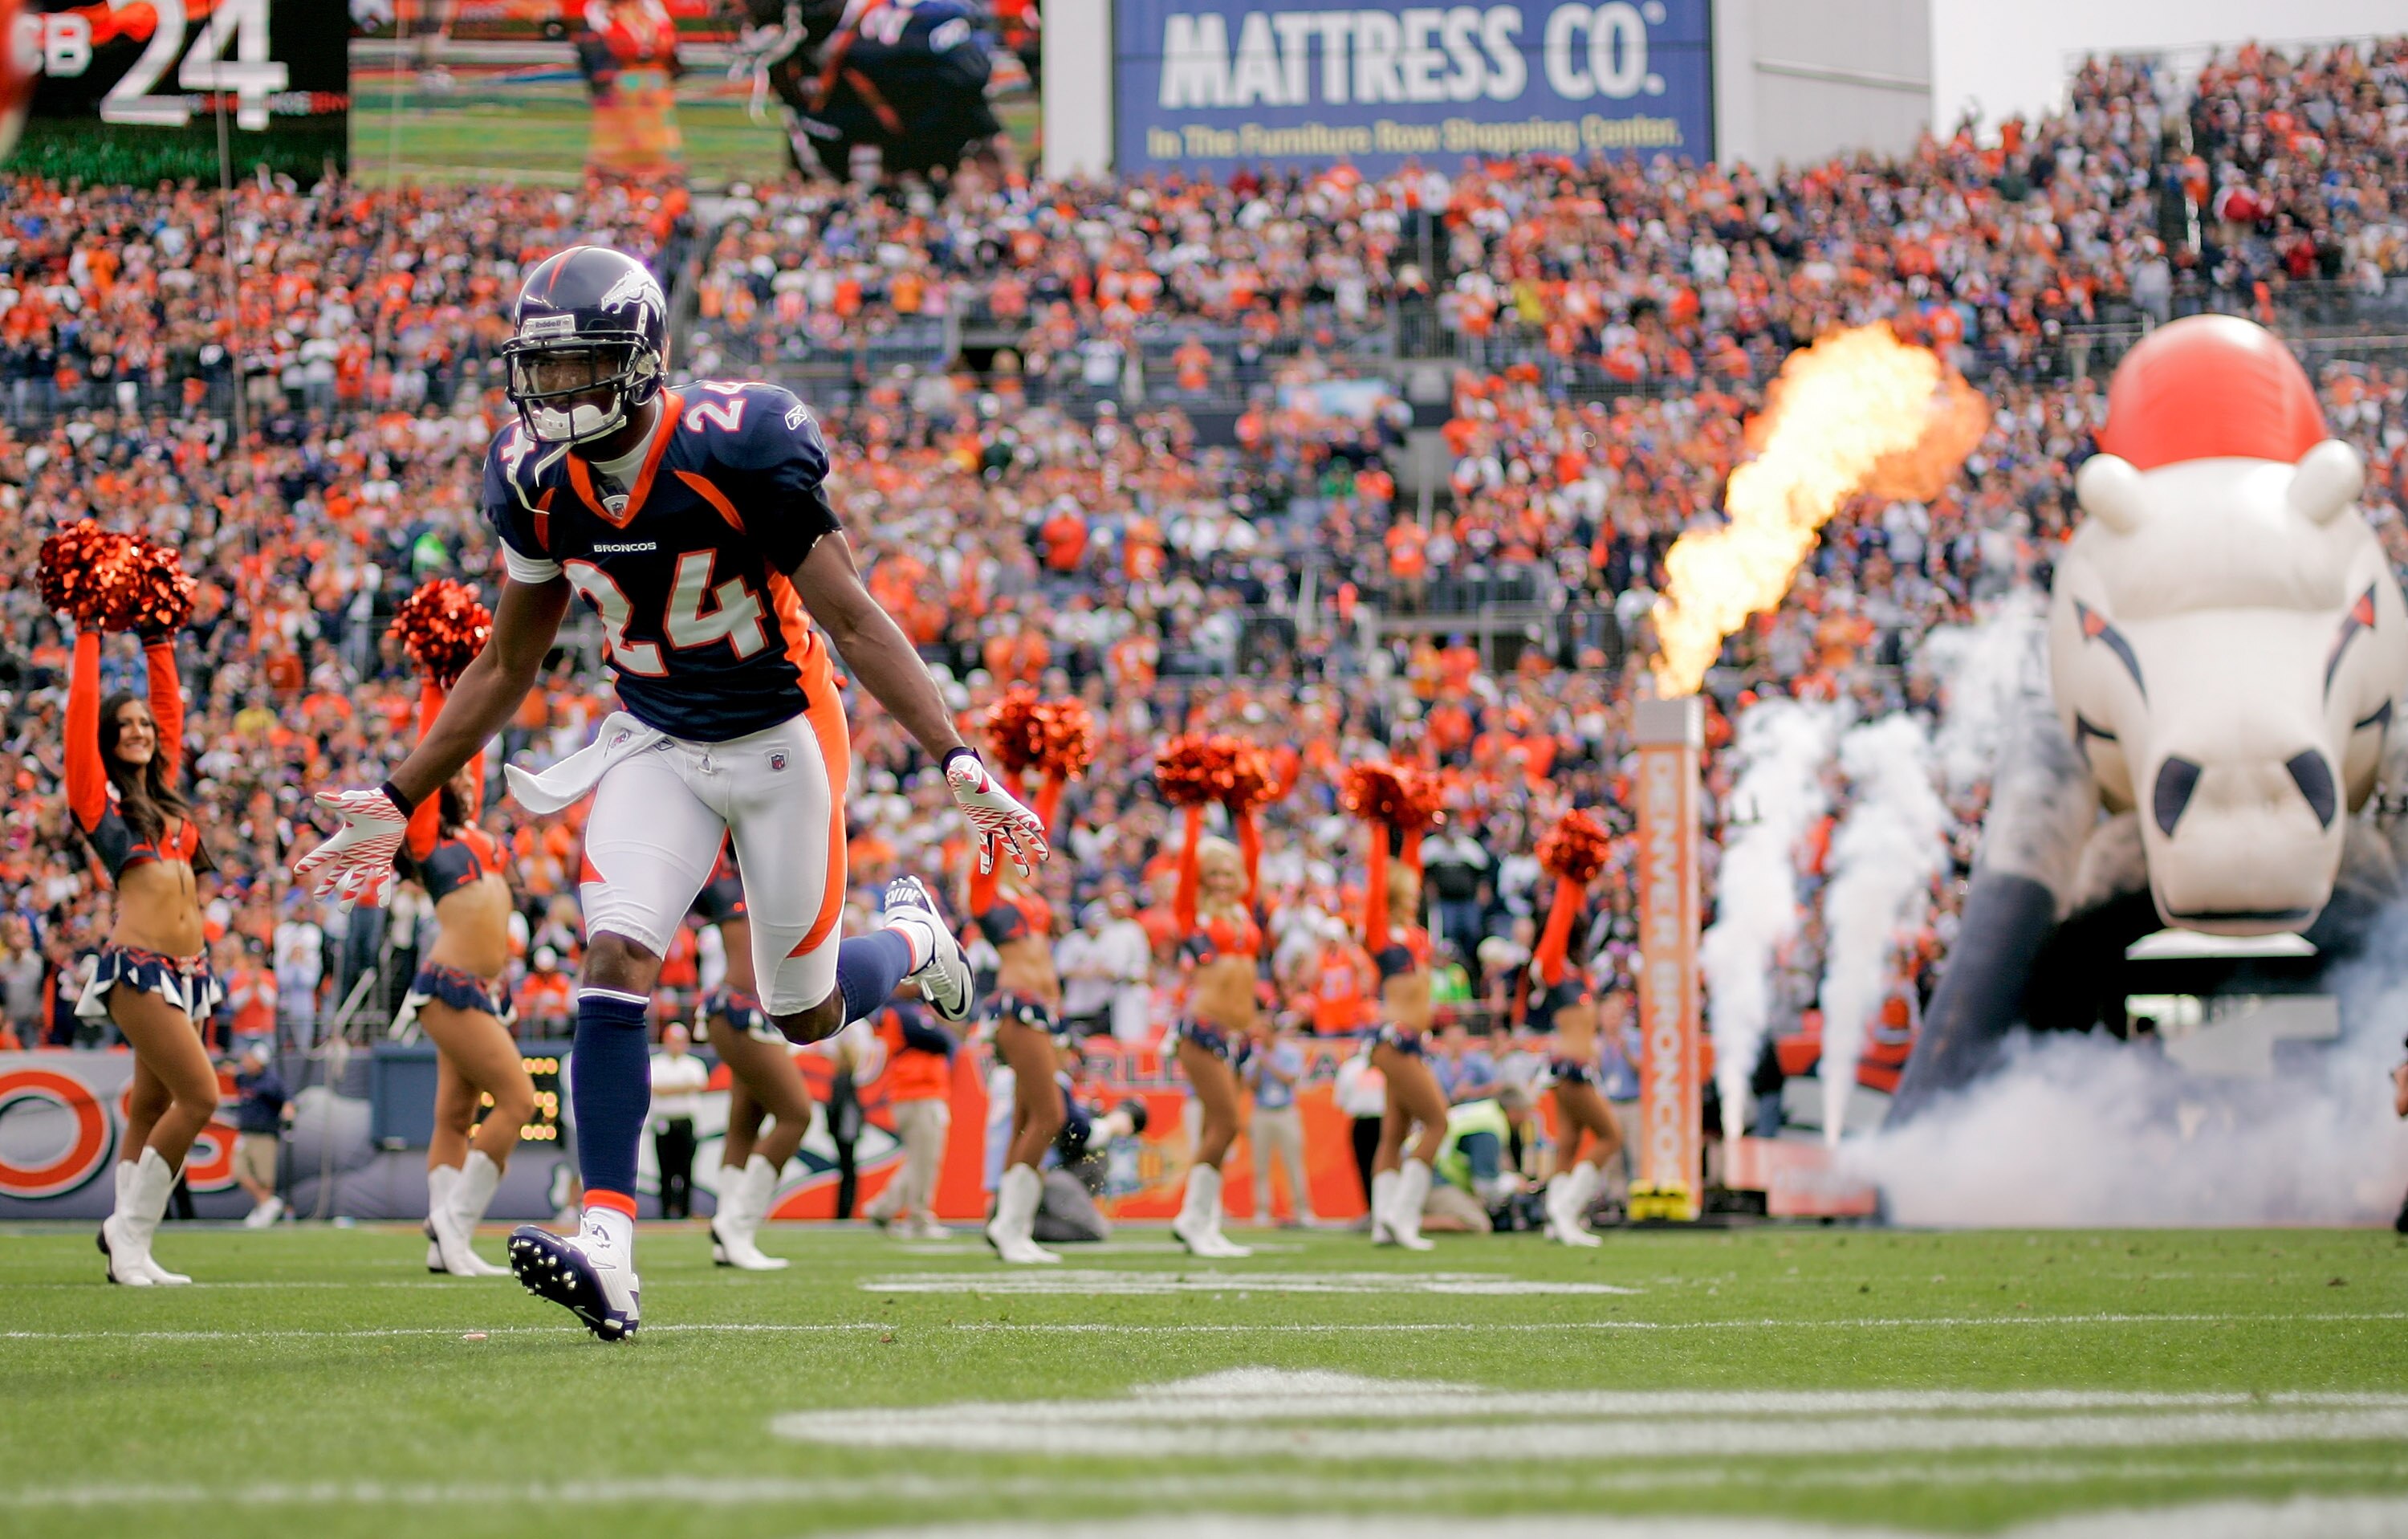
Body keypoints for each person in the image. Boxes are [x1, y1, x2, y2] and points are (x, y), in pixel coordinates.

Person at [295, 246, 1046, 1342]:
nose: (556, 394)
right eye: (541, 371)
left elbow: (849, 617)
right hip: (653, 736)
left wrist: (955, 756)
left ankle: (910, 937)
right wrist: (398, 788)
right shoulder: (534, 481)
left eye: (583, 366)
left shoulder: (738, 443)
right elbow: (507, 665)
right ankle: (609, 1242)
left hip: (783, 736)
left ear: (644, 362)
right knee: (617, 955)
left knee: (804, 1012)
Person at [69, 622, 218, 1286]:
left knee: (150, 1107)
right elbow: (79, 727)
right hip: (138, 970)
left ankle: (131, 1245)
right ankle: (127, 1231)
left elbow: (170, 713)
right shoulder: (100, 806)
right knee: (201, 1096)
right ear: (108, 736)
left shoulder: (166, 801)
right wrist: (88, 634)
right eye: (124, 723)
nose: (139, 729)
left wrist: (159, 642)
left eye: (143, 722)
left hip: (190, 974)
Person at [390, 678, 539, 1277]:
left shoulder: (483, 840)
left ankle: (442, 1246)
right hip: (449, 984)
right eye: (455, 769)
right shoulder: (428, 839)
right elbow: (443, 742)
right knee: (519, 1099)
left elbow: (470, 736)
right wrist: (435, 685)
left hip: (484, 991)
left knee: (455, 1115)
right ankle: (453, 1221)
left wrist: (465, 682)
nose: (467, 775)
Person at [689, 849, 816, 1270]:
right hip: (744, 1010)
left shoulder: (759, 881)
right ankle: (737, 1225)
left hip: (748, 1011)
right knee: (796, 1115)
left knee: (744, 1122)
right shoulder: (733, 882)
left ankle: (727, 1233)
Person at [970, 859, 1072, 1263]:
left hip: (1043, 1014)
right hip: (1018, 1009)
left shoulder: (1031, 897)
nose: (1027, 854)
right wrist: (986, 811)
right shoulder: (989, 895)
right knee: (1051, 1116)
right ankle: (1010, 1225)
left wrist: (1053, 790)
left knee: (1026, 1119)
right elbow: (983, 847)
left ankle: (1013, 1226)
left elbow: (1037, 822)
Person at [1167, 826, 1258, 1258]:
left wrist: (1246, 812)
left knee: (1215, 1129)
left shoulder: (1244, 913)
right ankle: (1192, 1218)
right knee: (1227, 1124)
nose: (1222, 880)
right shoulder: (1193, 915)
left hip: (1236, 1038)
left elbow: (1253, 852)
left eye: (1228, 872)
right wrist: (1194, 808)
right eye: (1213, 874)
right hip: (1202, 1032)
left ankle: (1208, 1223)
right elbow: (1185, 868)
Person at [863, 988, 956, 1238]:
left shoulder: (900, 1011)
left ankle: (882, 1208)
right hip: (917, 1094)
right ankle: (919, 1218)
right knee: (925, 1161)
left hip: (916, 1094)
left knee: (919, 1160)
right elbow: (939, 1040)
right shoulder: (903, 1012)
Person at [1539, 978, 1624, 1248]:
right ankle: (1566, 1211)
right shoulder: (1560, 974)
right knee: (1610, 1137)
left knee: (1569, 1142)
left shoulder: (1576, 979)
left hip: (1568, 1068)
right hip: (1572, 1070)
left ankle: (1556, 1219)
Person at [1243, 1015, 1313, 1228]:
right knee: (1260, 1165)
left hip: (1285, 1111)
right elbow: (1251, 1086)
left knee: (1293, 1162)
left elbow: (1290, 1079)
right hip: (1262, 1111)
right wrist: (1258, 1065)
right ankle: (1262, 1210)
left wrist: (1269, 1064)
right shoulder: (1254, 1056)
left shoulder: (1289, 1053)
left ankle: (1302, 1210)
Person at [649, 1023, 706, 1219]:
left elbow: (697, 1085)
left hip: (685, 1123)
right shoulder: (655, 1063)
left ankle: (685, 1212)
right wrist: (681, 1088)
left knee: (686, 1171)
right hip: (664, 1123)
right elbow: (655, 1088)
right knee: (665, 1172)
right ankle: (665, 1212)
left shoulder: (693, 1064)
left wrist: (668, 1090)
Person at [230, 1040, 289, 1228]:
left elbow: (287, 1100)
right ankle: (267, 1204)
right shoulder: (245, 1078)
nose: (245, 1060)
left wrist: (288, 1111)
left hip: (264, 1134)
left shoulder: (270, 1082)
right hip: (245, 1133)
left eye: (250, 1057)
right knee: (238, 1171)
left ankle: (264, 1211)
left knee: (264, 1178)